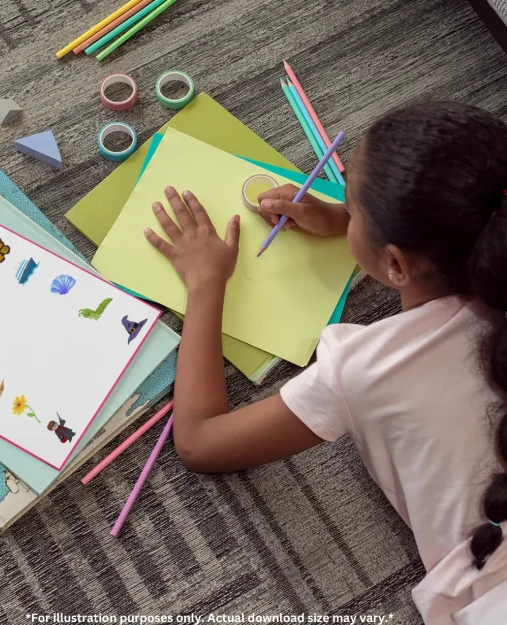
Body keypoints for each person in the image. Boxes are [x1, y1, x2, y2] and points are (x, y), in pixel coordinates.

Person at [142, 102, 507, 624]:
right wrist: (350, 222)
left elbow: (201, 442)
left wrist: (205, 283)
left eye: (351, 207)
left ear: (396, 262)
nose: (341, 207)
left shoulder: (367, 369)